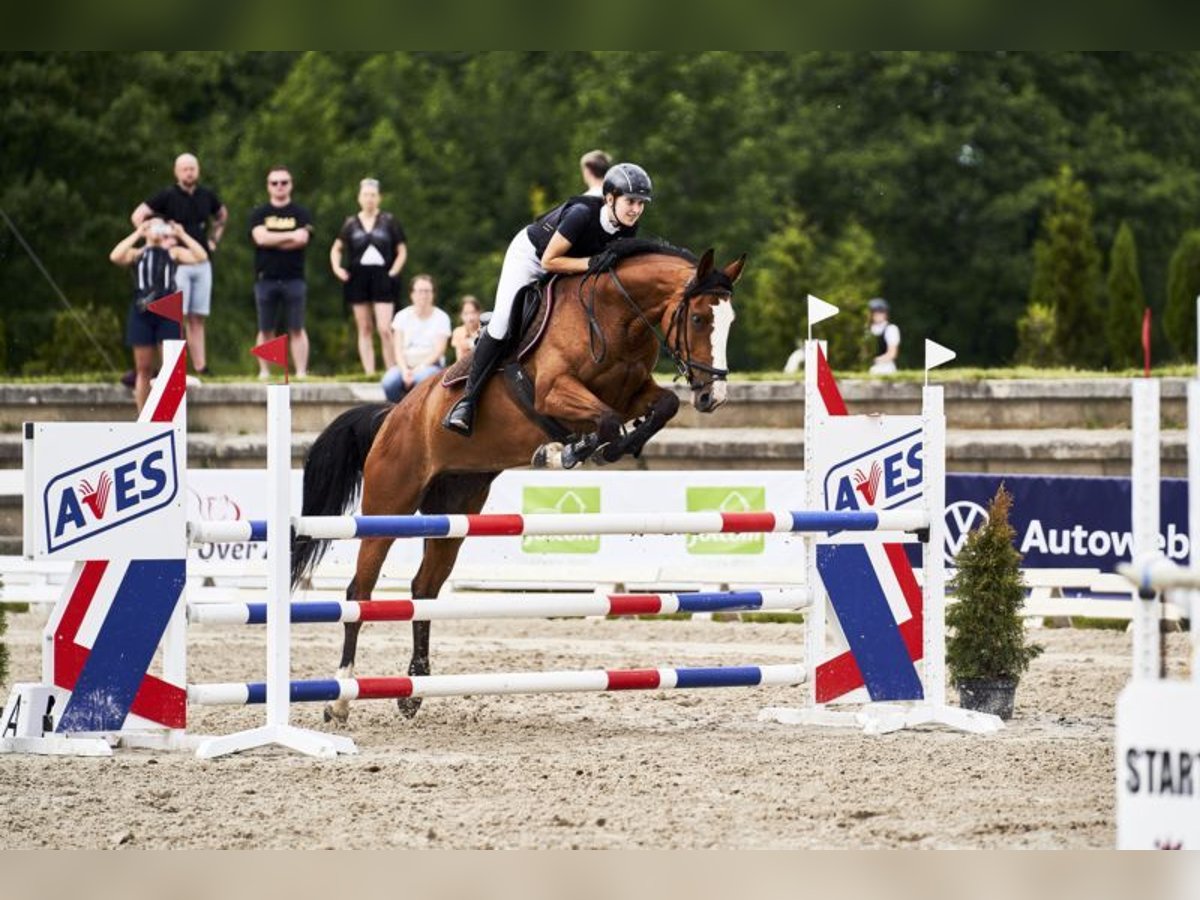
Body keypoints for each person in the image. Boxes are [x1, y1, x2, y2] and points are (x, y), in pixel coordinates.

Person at [442, 161, 652, 436]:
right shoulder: (581, 215)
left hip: (572, 262)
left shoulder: (627, 225)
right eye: (631, 201)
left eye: (641, 203)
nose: (636, 209)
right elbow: (550, 260)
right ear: (610, 198)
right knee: (504, 323)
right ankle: (467, 402)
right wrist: (592, 263)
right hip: (532, 257)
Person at [131, 153, 227, 377]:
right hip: (176, 262)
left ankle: (201, 366)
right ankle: (175, 366)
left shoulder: (206, 195)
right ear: (176, 171)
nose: (189, 172)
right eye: (184, 168)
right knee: (176, 316)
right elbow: (138, 216)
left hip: (200, 259)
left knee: (197, 315)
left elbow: (222, 215)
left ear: (198, 170)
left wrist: (213, 240)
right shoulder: (167, 195)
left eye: (192, 168)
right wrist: (158, 237)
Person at [109, 218, 208, 412]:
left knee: (170, 368)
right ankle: (143, 415)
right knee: (143, 368)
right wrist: (138, 233)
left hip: (167, 309)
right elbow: (115, 256)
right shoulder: (137, 254)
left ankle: (169, 413)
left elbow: (201, 256)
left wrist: (181, 234)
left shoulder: (172, 253)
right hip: (142, 310)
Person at [329, 178, 408, 375]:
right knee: (364, 327)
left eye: (373, 195)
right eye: (366, 195)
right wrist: (337, 268)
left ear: (379, 198)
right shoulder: (350, 223)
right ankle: (369, 371)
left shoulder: (388, 221)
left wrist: (394, 271)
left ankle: (392, 370)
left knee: (384, 327)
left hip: (383, 275)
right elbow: (337, 248)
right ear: (359, 198)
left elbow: (402, 250)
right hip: (358, 276)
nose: (369, 199)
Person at [249, 165, 313, 379]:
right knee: (265, 328)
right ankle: (264, 371)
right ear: (268, 186)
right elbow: (260, 239)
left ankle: (301, 372)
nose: (279, 186)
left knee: (296, 327)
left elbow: (302, 240)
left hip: (294, 278)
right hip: (265, 278)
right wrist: (290, 236)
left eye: (284, 182)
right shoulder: (260, 212)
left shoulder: (301, 213)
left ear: (291, 184)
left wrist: (272, 239)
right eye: (274, 183)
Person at [381, 274, 452, 403]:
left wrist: (418, 369)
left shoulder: (442, 317)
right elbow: (397, 349)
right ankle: (398, 411)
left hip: (430, 365)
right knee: (389, 382)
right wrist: (404, 370)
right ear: (412, 294)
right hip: (404, 365)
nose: (424, 295)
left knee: (421, 379)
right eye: (420, 291)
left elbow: (439, 350)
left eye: (427, 291)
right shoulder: (401, 316)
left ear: (433, 294)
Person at [867, 297, 901, 375]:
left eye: (880, 312)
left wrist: (875, 360)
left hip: (885, 367)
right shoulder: (868, 330)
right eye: (874, 312)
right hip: (870, 367)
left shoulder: (891, 329)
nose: (877, 315)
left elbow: (892, 353)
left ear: (885, 314)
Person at [450, 295, 482, 362]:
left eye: (473, 312)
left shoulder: (484, 330)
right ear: (461, 315)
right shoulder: (458, 332)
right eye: (466, 313)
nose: (470, 317)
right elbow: (459, 359)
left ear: (479, 313)